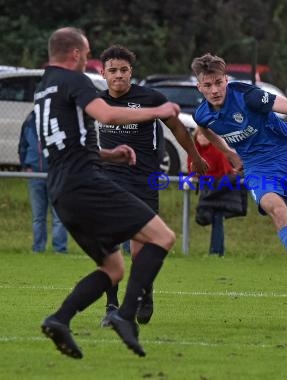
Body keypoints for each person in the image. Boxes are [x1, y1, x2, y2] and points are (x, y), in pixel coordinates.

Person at [37, 27, 206, 359]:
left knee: (114, 267)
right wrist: (158, 112)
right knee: (163, 237)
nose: (86, 59)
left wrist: (110, 153)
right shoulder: (76, 80)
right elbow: (108, 114)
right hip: (87, 184)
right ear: (75, 54)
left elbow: (61, 145)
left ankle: (59, 319)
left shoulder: (43, 89)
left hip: (61, 190)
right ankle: (125, 314)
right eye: (85, 53)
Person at [190, 53, 287, 330]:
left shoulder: (249, 97)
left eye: (218, 83)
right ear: (199, 87)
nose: (214, 90)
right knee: (276, 209)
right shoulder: (203, 113)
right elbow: (205, 130)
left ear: (226, 80)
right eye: (207, 85)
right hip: (257, 167)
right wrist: (230, 154)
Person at [96, 45, 208, 327]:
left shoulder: (150, 98)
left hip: (144, 181)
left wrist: (195, 157)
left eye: (123, 70)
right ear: (103, 73)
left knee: (139, 251)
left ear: (131, 72)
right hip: (109, 180)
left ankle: (146, 293)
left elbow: (177, 128)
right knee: (108, 245)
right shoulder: (97, 102)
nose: (118, 75)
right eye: (113, 71)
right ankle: (111, 306)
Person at [18, 111, 68, 254]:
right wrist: (25, 166)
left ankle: (60, 250)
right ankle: (38, 248)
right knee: (38, 217)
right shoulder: (29, 120)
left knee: (59, 216)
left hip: (56, 175)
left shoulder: (60, 118)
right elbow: (22, 145)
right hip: (35, 174)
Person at [188, 128, 242, 257]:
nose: (202, 138)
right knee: (209, 218)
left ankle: (216, 252)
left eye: (204, 135)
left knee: (217, 218)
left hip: (221, 188)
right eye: (199, 135)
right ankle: (216, 251)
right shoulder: (194, 152)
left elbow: (225, 172)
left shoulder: (217, 151)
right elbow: (192, 169)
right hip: (208, 189)